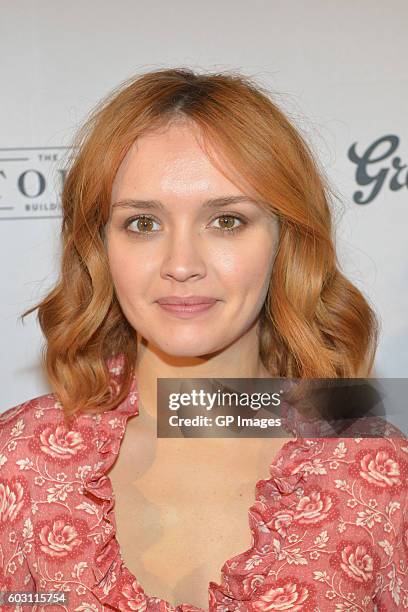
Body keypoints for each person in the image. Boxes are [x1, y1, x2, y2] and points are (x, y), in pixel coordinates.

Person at [1, 67, 407, 611]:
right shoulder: (19, 463)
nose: (182, 264)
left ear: (286, 241)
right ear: (98, 248)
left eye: (228, 221)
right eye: (143, 223)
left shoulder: (379, 472)